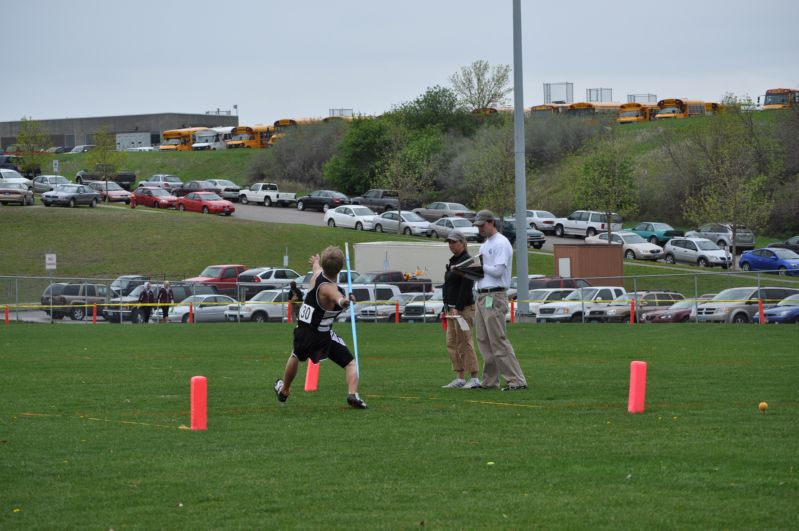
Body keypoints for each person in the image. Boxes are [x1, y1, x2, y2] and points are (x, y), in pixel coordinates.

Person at [274, 246, 367, 409]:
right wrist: (345, 301)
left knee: (295, 355)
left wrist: (316, 261)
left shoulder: (317, 275)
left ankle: (284, 390)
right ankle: (353, 394)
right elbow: (337, 299)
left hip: (303, 330)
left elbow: (317, 268)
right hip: (321, 335)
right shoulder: (330, 288)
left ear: (323, 265)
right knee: (351, 363)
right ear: (340, 268)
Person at [471, 210, 528, 391]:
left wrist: (480, 266)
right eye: (478, 226)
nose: (480, 229)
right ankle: (490, 381)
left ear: (491, 222)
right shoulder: (484, 245)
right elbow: (485, 271)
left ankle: (517, 380)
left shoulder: (501, 243)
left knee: (498, 340)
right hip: (481, 295)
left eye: (482, 225)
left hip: (494, 296)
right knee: (483, 340)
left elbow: (498, 271)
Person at [441, 231, 481, 389]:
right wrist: (447, 307)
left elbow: (466, 287)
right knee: (451, 342)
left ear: (462, 243)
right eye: (449, 242)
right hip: (451, 310)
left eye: (454, 242)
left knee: (465, 342)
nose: (451, 245)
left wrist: (457, 307)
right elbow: (448, 286)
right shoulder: (453, 261)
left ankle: (474, 377)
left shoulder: (467, 261)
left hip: (463, 309)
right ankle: (459, 377)